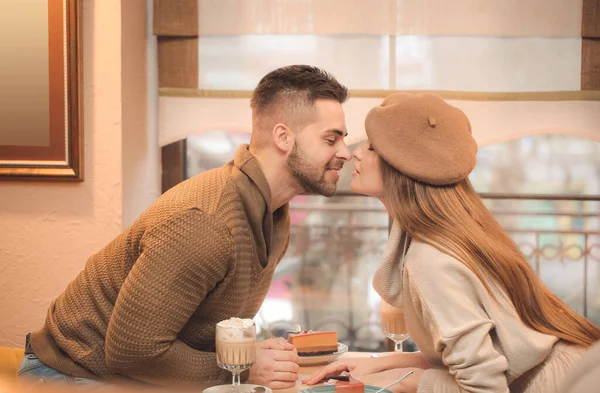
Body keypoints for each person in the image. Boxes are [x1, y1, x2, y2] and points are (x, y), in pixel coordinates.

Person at [18, 65, 352, 389]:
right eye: (331, 139)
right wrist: (243, 366)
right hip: (70, 374)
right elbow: (133, 352)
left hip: (122, 375)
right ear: (283, 137)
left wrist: (250, 352)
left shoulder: (273, 213)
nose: (345, 152)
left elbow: (198, 324)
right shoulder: (205, 222)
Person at [305, 93, 600, 392]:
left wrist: (398, 383)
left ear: (403, 167)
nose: (356, 153)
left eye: (371, 147)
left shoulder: (431, 260)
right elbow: (483, 356)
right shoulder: (441, 240)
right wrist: (383, 363)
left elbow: (484, 387)